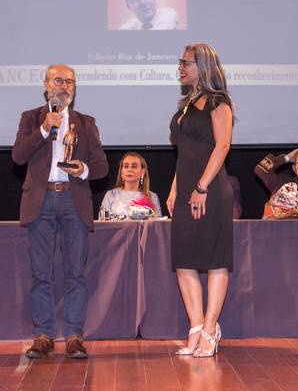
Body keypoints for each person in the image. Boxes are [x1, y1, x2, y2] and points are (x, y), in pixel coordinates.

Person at [12, 64, 108, 360]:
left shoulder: (86, 123)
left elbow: (102, 166)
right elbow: (18, 156)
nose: (64, 85)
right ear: (46, 85)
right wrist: (44, 129)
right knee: (41, 272)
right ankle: (43, 334)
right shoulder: (31, 118)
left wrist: (83, 169)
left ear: (74, 88)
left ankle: (74, 336)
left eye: (70, 81)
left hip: (72, 199)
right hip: (40, 201)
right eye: (58, 80)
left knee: (75, 273)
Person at [167, 42, 233, 358]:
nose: (180, 67)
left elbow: (222, 146)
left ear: (203, 67)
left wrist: (201, 187)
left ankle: (210, 328)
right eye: (180, 62)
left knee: (215, 260)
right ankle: (195, 328)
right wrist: (174, 190)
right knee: (184, 261)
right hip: (186, 191)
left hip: (210, 191)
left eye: (186, 63)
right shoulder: (187, 105)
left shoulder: (219, 102)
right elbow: (185, 153)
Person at [99, 152, 162, 218]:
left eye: (134, 166)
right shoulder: (110, 195)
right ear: (121, 171)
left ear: (143, 172)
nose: (129, 169)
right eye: (126, 166)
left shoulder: (152, 197)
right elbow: (102, 221)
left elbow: (158, 223)